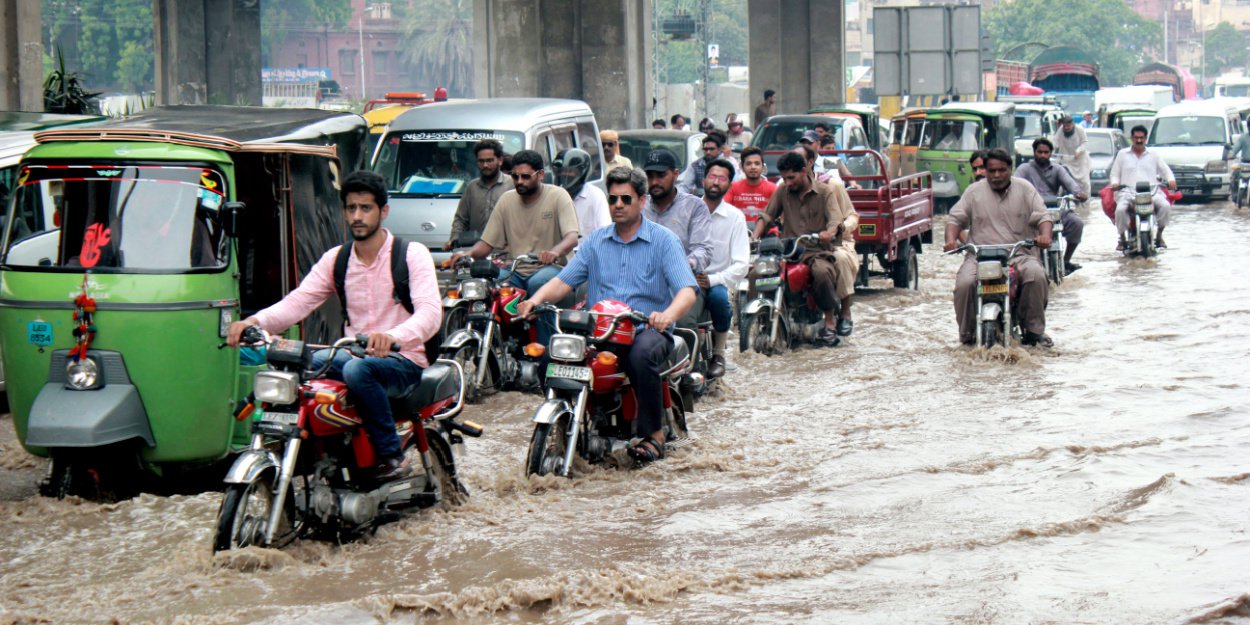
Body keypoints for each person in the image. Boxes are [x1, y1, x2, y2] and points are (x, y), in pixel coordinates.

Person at [226, 171, 442, 481]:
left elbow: (430, 313)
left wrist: (392, 337)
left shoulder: (411, 254)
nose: (357, 216)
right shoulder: (336, 259)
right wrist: (254, 322)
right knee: (293, 365)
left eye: (365, 208)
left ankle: (392, 456)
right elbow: (298, 302)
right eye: (351, 208)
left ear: (384, 211)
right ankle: (306, 455)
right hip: (351, 354)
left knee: (359, 371)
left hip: (402, 359)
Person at [516, 166, 698, 466]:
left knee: (640, 356)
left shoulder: (664, 241)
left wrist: (666, 316)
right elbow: (564, 281)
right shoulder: (596, 241)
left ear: (642, 200)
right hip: (599, 331)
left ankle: (654, 434)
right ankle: (571, 417)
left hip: (644, 329)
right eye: (613, 199)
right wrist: (534, 300)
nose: (618, 205)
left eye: (626, 199)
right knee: (551, 357)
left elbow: (687, 291)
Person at [450, 149, 581, 345]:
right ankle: (494, 345)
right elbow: (487, 244)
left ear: (540, 175)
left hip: (551, 269)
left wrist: (554, 252)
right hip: (514, 271)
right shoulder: (507, 200)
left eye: (526, 176)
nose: (520, 181)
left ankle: (544, 350)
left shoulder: (558, 196)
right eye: (515, 176)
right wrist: (467, 254)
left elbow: (572, 237)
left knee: (538, 284)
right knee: (487, 287)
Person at [943, 148, 1054, 348]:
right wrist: (951, 240)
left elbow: (1043, 216)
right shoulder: (973, 192)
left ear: (1010, 168)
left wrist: (1045, 235)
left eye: (1001, 170)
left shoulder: (1025, 189)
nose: (996, 176)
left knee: (1036, 276)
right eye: (992, 171)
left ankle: (1034, 331)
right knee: (964, 284)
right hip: (979, 257)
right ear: (984, 171)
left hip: (1019, 254)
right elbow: (955, 218)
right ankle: (967, 337)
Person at [752, 152, 860, 343]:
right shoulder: (783, 191)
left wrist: (828, 232)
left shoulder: (825, 191)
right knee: (756, 273)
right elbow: (767, 216)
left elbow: (835, 219)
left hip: (816, 251)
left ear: (804, 171)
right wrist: (753, 237)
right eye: (784, 178)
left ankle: (829, 322)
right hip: (788, 251)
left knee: (822, 273)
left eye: (791, 177)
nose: (787, 182)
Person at [698, 159, 749, 379]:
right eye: (712, 176)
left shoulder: (735, 218)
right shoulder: (688, 210)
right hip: (687, 278)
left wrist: (713, 279)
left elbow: (741, 264)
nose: (716, 182)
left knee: (719, 300)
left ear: (729, 184)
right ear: (703, 180)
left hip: (717, 281)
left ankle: (718, 353)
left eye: (722, 179)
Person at [1014, 137, 1088, 273]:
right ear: (1034, 152)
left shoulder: (1058, 169)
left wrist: (1079, 193)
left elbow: (1071, 184)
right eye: (1039, 152)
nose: (1043, 155)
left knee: (1076, 223)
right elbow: (1014, 186)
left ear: (1051, 153)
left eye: (1046, 152)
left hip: (1054, 210)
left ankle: (1066, 260)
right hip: (1032, 213)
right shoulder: (1024, 169)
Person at [643, 148, 714, 273]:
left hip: (682, 279)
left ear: (675, 174)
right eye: (650, 176)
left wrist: (685, 264)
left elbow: (703, 249)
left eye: (661, 176)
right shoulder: (639, 206)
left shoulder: (694, 206)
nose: (654, 182)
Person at [1109, 125, 1176, 250]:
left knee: (1165, 206)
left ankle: (1159, 235)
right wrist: (1115, 183)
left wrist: (1171, 180)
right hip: (1127, 192)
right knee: (1120, 210)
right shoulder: (1122, 154)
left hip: (1151, 192)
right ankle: (1122, 238)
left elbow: (1165, 171)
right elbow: (1115, 174)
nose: (1139, 141)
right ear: (1131, 138)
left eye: (1141, 138)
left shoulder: (1154, 154)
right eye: (1136, 138)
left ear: (1145, 138)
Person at [446, 139, 513, 249]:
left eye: (490, 160)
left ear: (500, 161)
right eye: (481, 161)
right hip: (476, 250)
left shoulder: (512, 185)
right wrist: (454, 239)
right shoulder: (472, 187)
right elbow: (461, 219)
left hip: (505, 251)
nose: (485, 165)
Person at [554, 147, 610, 239]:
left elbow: (604, 230)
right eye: (562, 171)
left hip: (588, 251)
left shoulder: (595, 195)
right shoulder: (555, 195)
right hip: (559, 251)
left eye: (570, 171)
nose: (565, 175)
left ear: (582, 173)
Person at [726, 146, 778, 225]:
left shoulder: (773, 188)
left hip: (767, 233)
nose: (753, 167)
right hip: (738, 230)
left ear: (762, 167)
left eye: (757, 163)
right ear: (742, 167)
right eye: (748, 164)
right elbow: (725, 210)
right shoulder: (732, 188)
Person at [1051, 115, 1092, 198]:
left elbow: (1085, 143)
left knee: (1084, 183)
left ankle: (1085, 202)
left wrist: (1079, 150)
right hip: (1066, 159)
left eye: (1068, 126)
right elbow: (1055, 142)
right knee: (1063, 177)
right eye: (1064, 126)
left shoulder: (1080, 129)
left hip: (1080, 161)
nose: (1066, 128)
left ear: (1072, 124)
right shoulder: (1061, 130)